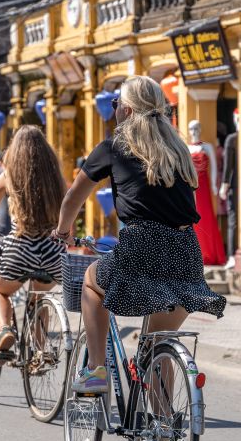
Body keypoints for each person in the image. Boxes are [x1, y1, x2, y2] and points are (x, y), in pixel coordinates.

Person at [54, 75, 226, 395]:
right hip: (186, 249)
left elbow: (73, 198)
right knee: (159, 344)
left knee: (91, 286)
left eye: (116, 104)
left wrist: (64, 232)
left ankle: (96, 370)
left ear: (128, 111)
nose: (114, 110)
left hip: (142, 244)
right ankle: (160, 435)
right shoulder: (178, 149)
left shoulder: (114, 146)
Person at [0, 126, 66, 365]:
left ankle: (5, 330)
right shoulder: (55, 175)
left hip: (21, 247)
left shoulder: (9, 173)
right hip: (52, 250)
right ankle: (39, 352)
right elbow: (67, 206)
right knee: (39, 297)